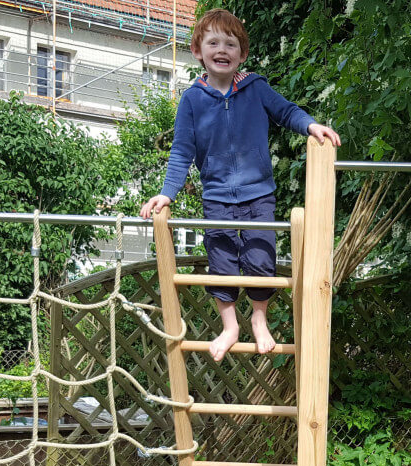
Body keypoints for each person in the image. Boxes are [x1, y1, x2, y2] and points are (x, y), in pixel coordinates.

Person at [140, 8, 340, 362]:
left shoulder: (255, 88)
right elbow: (182, 151)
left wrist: (310, 126)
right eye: (213, 42)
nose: (222, 49)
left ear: (242, 55)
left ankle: (259, 319)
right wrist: (166, 193)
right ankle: (230, 325)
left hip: (258, 194)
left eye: (230, 44)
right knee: (221, 263)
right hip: (217, 197)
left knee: (261, 259)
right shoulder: (192, 100)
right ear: (198, 51)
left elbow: (287, 111)